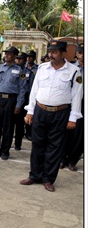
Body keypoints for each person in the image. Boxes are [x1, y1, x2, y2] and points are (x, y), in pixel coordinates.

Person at [21, 40, 83, 192]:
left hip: (60, 113)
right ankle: (34, 175)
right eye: (50, 51)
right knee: (37, 145)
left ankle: (48, 179)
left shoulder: (74, 71)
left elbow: (77, 95)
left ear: (63, 53)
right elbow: (35, 90)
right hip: (41, 111)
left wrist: (73, 118)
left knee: (54, 148)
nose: (51, 55)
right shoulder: (42, 68)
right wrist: (30, 111)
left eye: (55, 52)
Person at [0, 46, 27, 160]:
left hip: (11, 100)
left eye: (9, 54)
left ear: (15, 56)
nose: (6, 56)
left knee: (8, 126)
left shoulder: (20, 71)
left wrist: (18, 105)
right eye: (5, 54)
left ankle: (5, 150)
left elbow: (22, 89)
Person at [60, 43, 84, 172]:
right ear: (77, 54)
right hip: (70, 102)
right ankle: (62, 159)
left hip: (84, 104)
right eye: (80, 52)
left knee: (80, 135)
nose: (82, 55)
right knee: (66, 132)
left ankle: (73, 160)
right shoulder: (70, 68)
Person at [11, 52, 29, 150]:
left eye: (21, 59)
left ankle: (18, 143)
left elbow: (24, 87)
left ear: (25, 60)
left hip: (23, 99)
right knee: (10, 122)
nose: (19, 61)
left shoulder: (25, 72)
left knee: (19, 123)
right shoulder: (14, 69)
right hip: (12, 98)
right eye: (18, 59)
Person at [24, 50, 38, 140]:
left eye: (31, 57)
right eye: (28, 57)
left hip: (32, 95)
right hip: (24, 94)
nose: (29, 58)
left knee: (30, 113)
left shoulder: (38, 69)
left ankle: (29, 132)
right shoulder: (23, 68)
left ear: (34, 58)